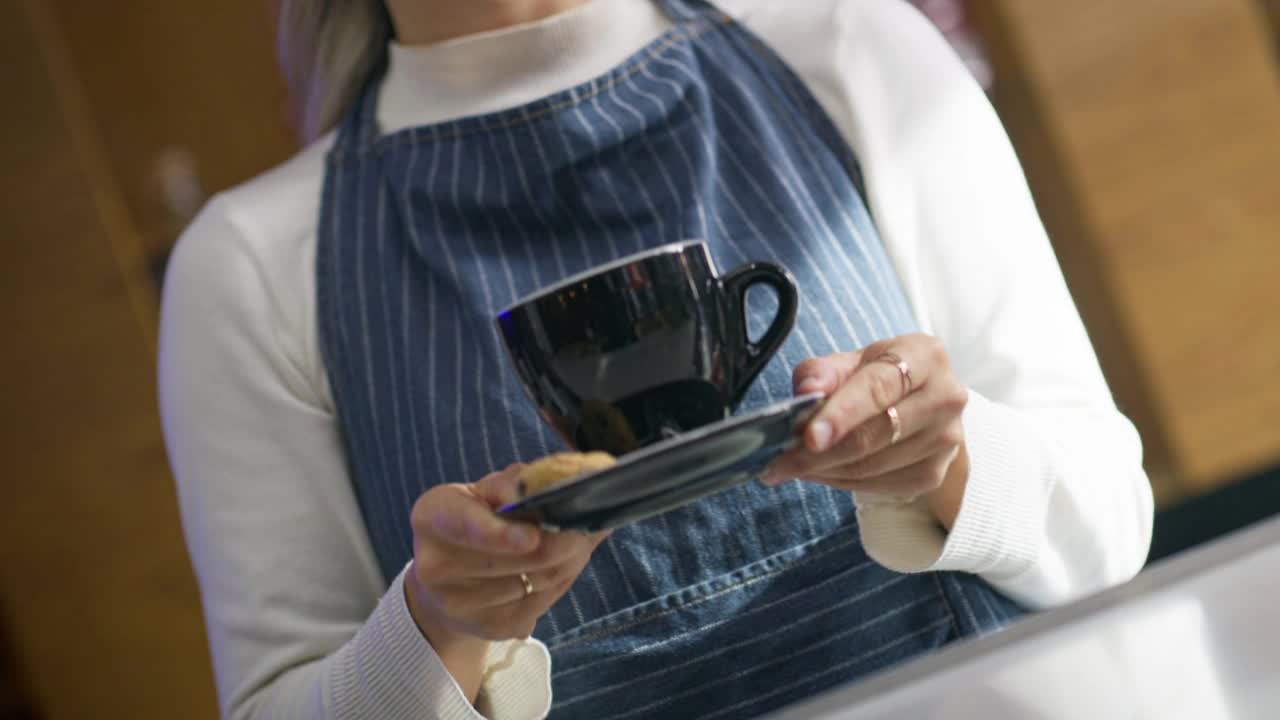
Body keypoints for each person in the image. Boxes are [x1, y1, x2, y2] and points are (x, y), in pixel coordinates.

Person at [158, 0, 1154, 718]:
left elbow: (1109, 523)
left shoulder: (851, 44)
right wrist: (437, 622)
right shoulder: (249, 268)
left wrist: (949, 460)